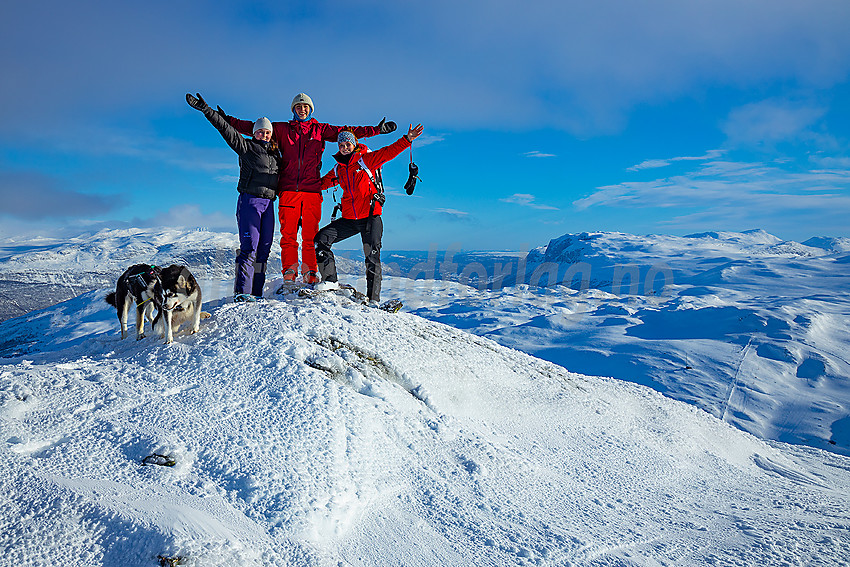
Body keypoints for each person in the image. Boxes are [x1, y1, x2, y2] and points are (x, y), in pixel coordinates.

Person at [222, 93, 397, 286]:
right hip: (288, 190)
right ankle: (289, 271)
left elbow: (348, 132)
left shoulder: (321, 129)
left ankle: (310, 272)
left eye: (305, 107)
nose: (302, 109)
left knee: (310, 235)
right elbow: (253, 127)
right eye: (298, 106)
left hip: (312, 191)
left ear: (311, 110)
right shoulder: (281, 129)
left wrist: (376, 130)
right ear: (293, 110)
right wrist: (226, 119)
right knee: (288, 235)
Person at [314, 123, 424, 303]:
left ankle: (373, 300)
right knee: (321, 239)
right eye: (341, 145)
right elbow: (321, 184)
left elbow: (389, 152)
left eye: (347, 144)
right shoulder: (338, 169)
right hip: (349, 219)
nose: (344, 148)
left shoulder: (366, 160)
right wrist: (295, 187)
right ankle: (330, 281)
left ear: (354, 144)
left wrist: (407, 139)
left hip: (371, 216)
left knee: (371, 256)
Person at [186, 93, 280, 302]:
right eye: (260, 132)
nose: (264, 135)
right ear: (254, 133)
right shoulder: (246, 147)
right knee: (249, 248)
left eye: (267, 132)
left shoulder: (276, 155)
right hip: (250, 202)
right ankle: (242, 293)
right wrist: (207, 111)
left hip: (269, 205)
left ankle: (257, 293)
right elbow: (226, 130)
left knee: (264, 250)